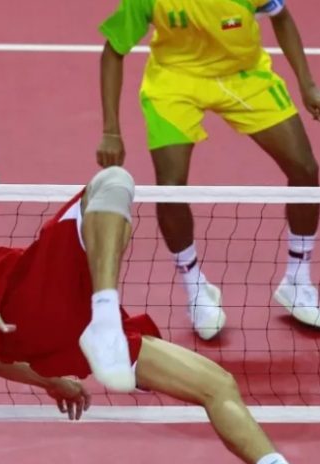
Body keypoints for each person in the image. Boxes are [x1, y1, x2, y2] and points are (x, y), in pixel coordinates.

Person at [0, 166, 320, 464]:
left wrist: (49, 380)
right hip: (33, 295)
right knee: (111, 182)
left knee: (217, 386)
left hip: (48, 345)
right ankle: (104, 310)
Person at [96, 0, 320, 339]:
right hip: (175, 82)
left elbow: (282, 16)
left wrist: (307, 84)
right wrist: (111, 130)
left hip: (244, 76)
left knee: (305, 171)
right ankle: (195, 287)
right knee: (170, 188)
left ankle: (298, 279)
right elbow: (113, 51)